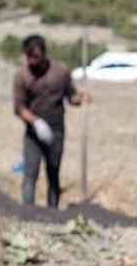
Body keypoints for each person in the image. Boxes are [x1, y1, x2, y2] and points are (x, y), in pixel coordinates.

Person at [12, 34, 89, 208]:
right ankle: (28, 212)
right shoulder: (22, 75)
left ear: (45, 53)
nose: (32, 61)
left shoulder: (61, 72)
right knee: (30, 173)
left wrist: (81, 97)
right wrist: (36, 122)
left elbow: (72, 97)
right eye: (28, 57)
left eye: (36, 57)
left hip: (56, 130)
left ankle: (52, 213)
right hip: (33, 132)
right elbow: (18, 107)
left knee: (53, 172)